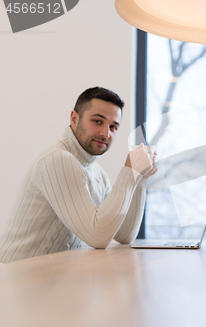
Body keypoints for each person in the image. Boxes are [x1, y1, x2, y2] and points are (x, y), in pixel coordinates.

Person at [0, 87, 157, 263]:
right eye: (98, 121)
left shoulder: (97, 172)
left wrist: (140, 178)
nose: (106, 134)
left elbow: (124, 235)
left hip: (48, 279)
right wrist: (129, 171)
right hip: (12, 278)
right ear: (74, 119)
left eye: (113, 127)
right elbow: (98, 236)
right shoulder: (57, 159)